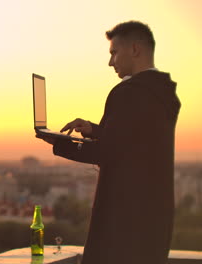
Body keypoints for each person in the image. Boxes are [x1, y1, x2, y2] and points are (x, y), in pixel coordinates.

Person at [36, 21, 181, 264]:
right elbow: (135, 142)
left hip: (122, 220)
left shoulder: (127, 92)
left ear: (135, 49)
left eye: (114, 53)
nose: (110, 62)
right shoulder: (163, 93)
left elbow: (108, 153)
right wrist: (94, 129)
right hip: (154, 217)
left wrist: (60, 143)